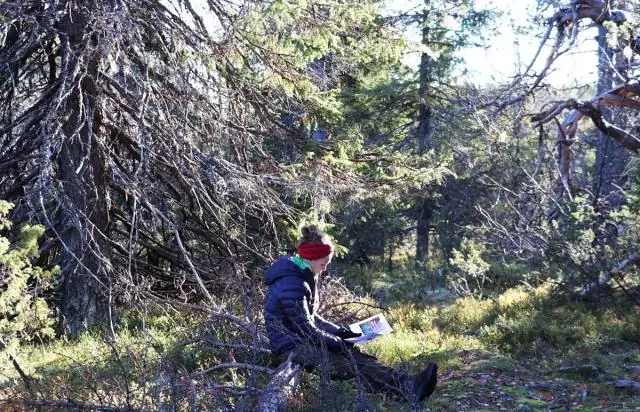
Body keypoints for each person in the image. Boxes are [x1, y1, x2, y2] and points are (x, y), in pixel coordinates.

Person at [264, 225, 437, 402]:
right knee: (350, 364)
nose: (324, 270)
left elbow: (312, 317)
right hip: (290, 348)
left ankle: (408, 384)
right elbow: (305, 328)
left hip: (301, 341)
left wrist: (341, 332)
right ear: (311, 258)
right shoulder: (293, 283)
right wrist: (338, 343)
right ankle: (406, 390)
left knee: (355, 354)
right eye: (323, 264)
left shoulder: (302, 272)